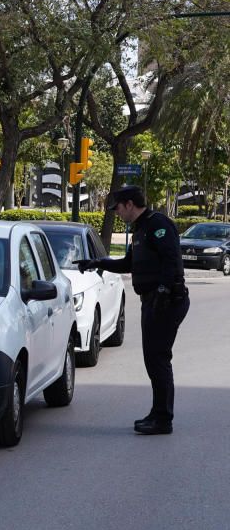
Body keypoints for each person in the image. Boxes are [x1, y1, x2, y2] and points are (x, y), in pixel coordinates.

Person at [75, 185, 188, 435]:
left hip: (167, 302)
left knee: (158, 359)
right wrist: (97, 262)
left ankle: (163, 419)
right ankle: (158, 413)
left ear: (129, 204)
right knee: (153, 359)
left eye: (118, 209)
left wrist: (163, 291)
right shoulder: (140, 230)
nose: (117, 214)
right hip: (153, 301)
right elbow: (129, 264)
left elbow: (172, 260)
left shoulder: (157, 225)